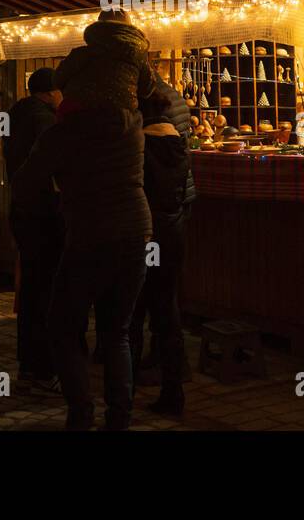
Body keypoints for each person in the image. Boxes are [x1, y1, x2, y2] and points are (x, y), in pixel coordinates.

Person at [12, 99, 151, 431]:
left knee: (62, 326)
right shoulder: (131, 123)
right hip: (136, 231)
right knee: (116, 330)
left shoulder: (63, 134)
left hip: (90, 234)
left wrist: (60, 190)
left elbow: (24, 182)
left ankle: (81, 413)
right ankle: (119, 418)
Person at [129, 90, 190, 416]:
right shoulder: (177, 142)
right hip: (174, 231)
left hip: (146, 234)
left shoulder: (140, 145)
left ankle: (126, 390)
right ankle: (173, 390)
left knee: (134, 310)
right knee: (168, 311)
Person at [4, 67, 64, 387]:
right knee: (46, 290)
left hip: (23, 211)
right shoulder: (44, 121)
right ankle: (44, 367)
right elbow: (51, 169)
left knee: (31, 289)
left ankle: (29, 364)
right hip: (42, 214)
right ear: (51, 92)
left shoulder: (16, 114)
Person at [53, 9, 155, 117]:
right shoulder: (136, 55)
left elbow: (57, 79)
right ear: (130, 30)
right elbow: (147, 89)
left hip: (79, 114)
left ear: (97, 29)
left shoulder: (81, 53)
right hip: (121, 118)